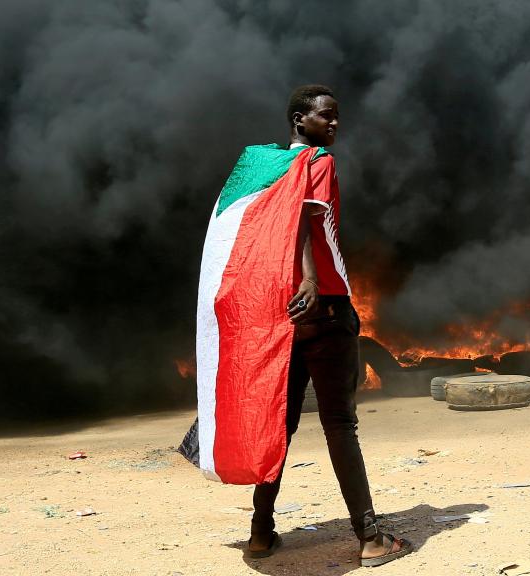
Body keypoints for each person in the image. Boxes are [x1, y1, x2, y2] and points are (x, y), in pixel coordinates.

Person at [194, 84, 411, 568]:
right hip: (324, 308)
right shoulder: (316, 163)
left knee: (279, 424)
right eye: (326, 116)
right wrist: (312, 279)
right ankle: (371, 537)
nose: (334, 124)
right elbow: (303, 221)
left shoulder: (262, 168)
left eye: (337, 116)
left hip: (280, 317)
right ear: (299, 119)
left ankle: (260, 534)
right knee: (339, 425)